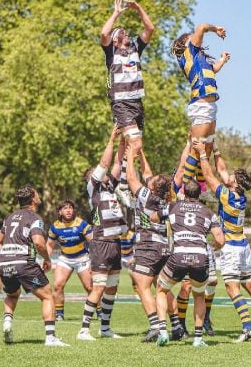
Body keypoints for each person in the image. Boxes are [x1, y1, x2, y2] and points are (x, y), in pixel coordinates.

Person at [193, 140, 251, 342]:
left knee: (232, 287)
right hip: (243, 245)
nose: (227, 175)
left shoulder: (227, 196)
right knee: (250, 284)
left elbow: (210, 176)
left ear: (235, 183)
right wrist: (217, 149)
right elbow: (221, 170)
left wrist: (204, 154)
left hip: (230, 246)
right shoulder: (240, 196)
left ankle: (247, 327)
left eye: (231, 176)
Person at [125, 143, 186, 342]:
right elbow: (148, 172)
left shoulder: (147, 197)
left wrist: (130, 157)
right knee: (163, 288)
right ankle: (176, 326)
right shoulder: (167, 198)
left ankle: (154, 326)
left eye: (152, 181)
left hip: (148, 247)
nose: (150, 179)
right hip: (165, 247)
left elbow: (131, 178)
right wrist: (141, 152)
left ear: (152, 187)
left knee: (142, 285)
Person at [153, 180, 225, 348]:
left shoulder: (173, 207)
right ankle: (198, 338)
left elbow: (153, 217)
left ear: (184, 193)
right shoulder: (208, 213)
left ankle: (163, 331)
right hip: (200, 257)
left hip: (179, 255)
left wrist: (169, 205)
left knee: (161, 289)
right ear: (199, 194)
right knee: (199, 295)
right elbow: (220, 239)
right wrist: (213, 247)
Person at [0, 184, 69, 347]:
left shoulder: (9, 217)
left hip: (4, 263)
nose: (39, 196)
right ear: (33, 199)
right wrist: (47, 259)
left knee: (12, 294)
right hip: (24, 264)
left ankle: (7, 323)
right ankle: (50, 338)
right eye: (37, 194)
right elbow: (39, 243)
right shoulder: (35, 218)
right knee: (47, 295)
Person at [78, 126, 127, 341]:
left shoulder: (109, 187)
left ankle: (105, 328)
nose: (105, 173)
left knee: (111, 289)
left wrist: (125, 140)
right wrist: (111, 138)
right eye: (98, 173)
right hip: (101, 243)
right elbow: (107, 163)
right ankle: (84, 330)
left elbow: (117, 163)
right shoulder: (94, 189)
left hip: (116, 244)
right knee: (98, 288)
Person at [171, 24, 230, 190]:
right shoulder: (189, 52)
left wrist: (222, 61)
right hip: (201, 105)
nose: (196, 38)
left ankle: (201, 188)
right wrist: (216, 29)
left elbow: (213, 69)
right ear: (186, 43)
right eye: (192, 37)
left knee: (207, 149)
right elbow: (202, 27)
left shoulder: (199, 59)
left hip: (210, 106)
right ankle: (184, 189)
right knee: (197, 150)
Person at [100, 0, 154, 158]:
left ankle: (120, 178)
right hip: (121, 103)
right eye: (123, 32)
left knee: (132, 149)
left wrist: (138, 9)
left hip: (137, 102)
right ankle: (126, 182)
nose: (127, 33)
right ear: (115, 39)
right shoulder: (111, 51)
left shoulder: (135, 48)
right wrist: (116, 13)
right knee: (136, 144)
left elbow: (150, 29)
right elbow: (104, 33)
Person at [46, 200, 94, 321]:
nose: (68, 210)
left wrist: (94, 261)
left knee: (89, 288)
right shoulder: (55, 226)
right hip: (65, 259)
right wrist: (47, 260)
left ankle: (99, 311)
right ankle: (59, 314)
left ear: (73, 210)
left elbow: (93, 243)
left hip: (83, 258)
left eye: (70, 208)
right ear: (60, 212)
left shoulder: (82, 224)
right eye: (65, 208)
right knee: (57, 285)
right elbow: (49, 245)